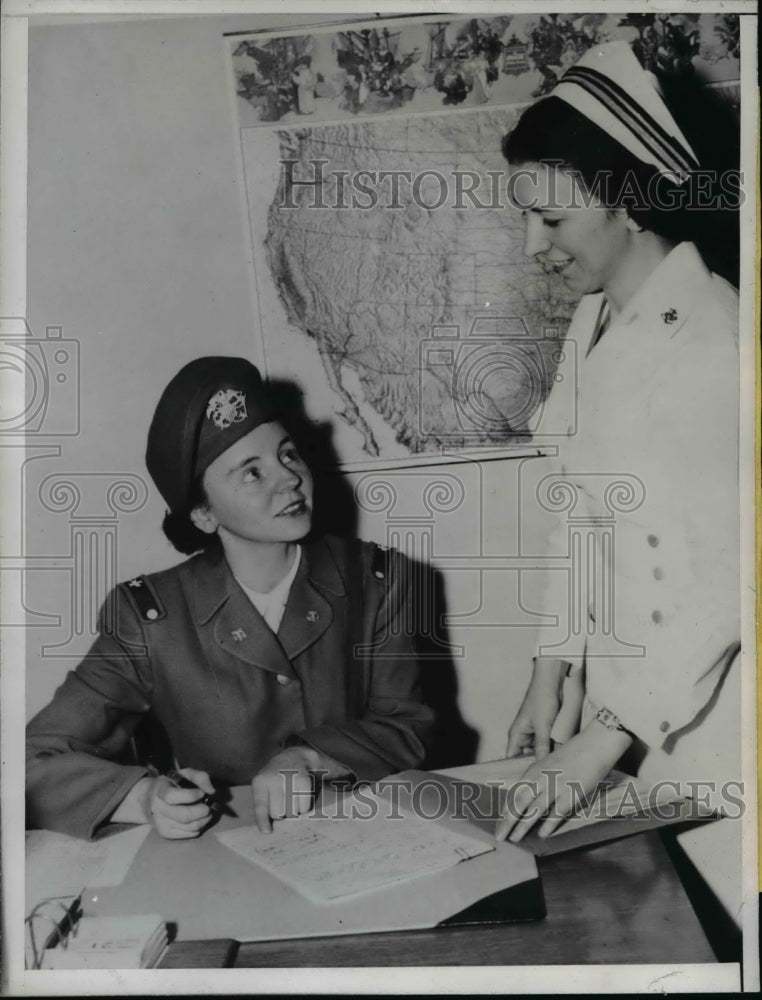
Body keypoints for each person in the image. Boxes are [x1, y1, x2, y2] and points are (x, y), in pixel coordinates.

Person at [26, 357, 434, 841]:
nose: (288, 478)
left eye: (288, 454)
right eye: (251, 472)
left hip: (367, 837)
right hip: (227, 854)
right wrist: (144, 797)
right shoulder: (151, 617)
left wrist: (307, 756)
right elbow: (32, 760)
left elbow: (407, 728)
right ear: (202, 514)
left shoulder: (379, 581)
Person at [495, 41, 740, 842]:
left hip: (714, 730)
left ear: (629, 203)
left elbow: (737, 578)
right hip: (629, 722)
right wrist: (549, 671)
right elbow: (584, 519)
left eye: (553, 219)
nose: (535, 247)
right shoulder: (596, 323)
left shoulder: (717, 344)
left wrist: (605, 738)